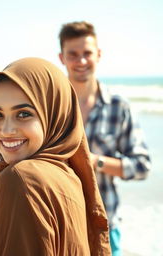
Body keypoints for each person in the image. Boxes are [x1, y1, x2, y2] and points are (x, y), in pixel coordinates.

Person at [0, 57, 111, 255]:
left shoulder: (22, 180)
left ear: (53, 115)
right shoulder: (68, 175)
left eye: (23, 114)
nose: (6, 130)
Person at [58, 21, 151, 255]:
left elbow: (142, 166)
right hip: (59, 225)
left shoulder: (119, 107)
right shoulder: (52, 107)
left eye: (87, 53)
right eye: (73, 54)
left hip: (105, 225)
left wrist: (94, 161)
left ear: (98, 55)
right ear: (61, 58)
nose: (80, 61)